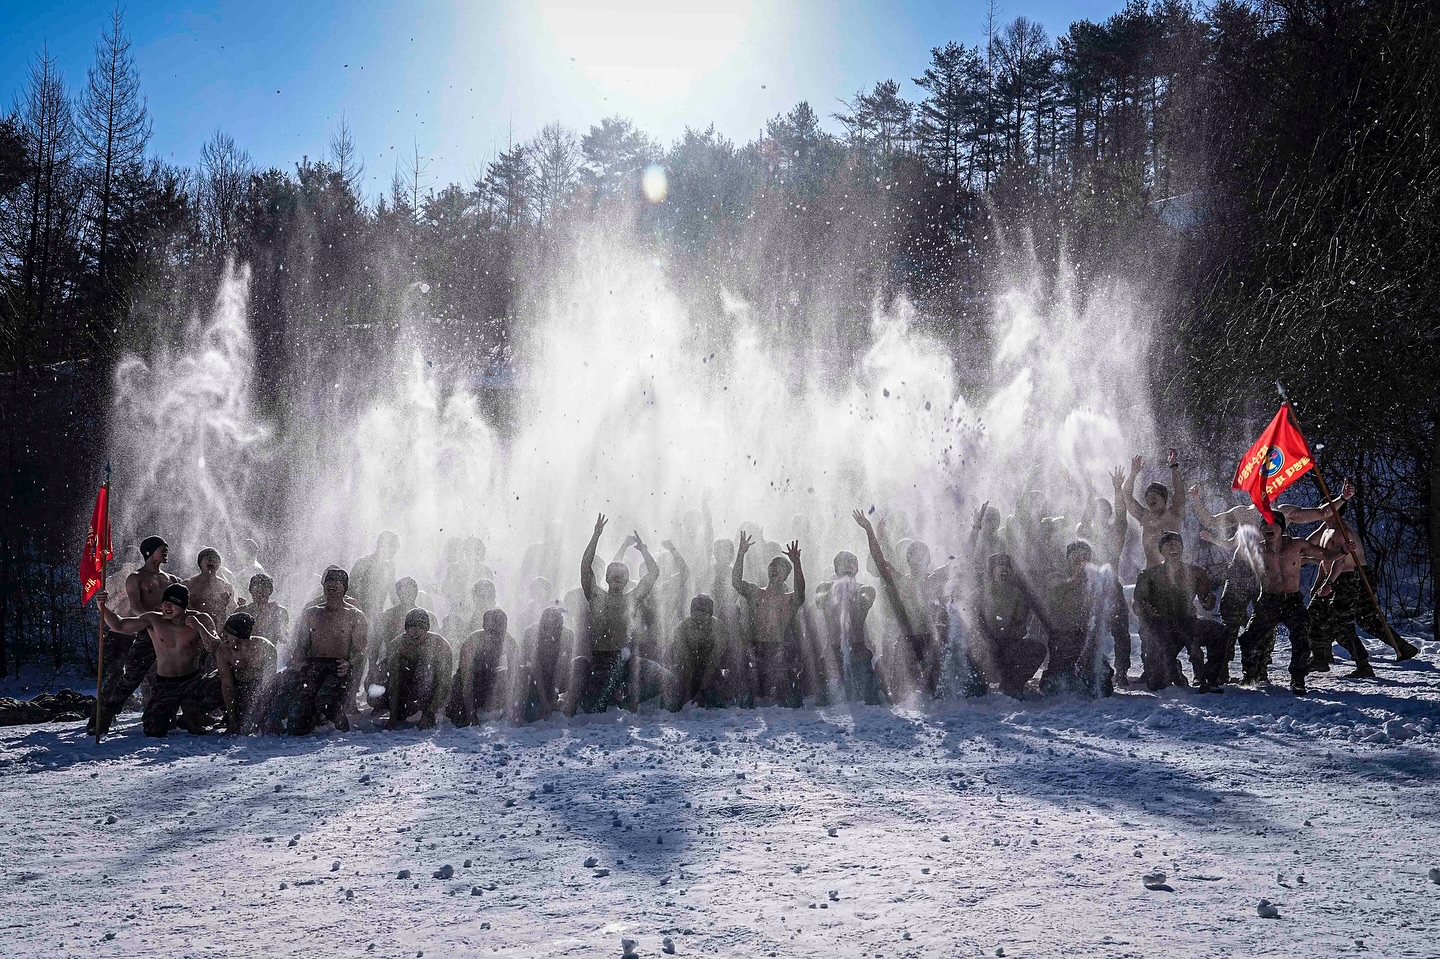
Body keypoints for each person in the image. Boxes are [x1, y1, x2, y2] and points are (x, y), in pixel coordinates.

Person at [1237, 514, 1347, 694]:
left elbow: (1326, 555)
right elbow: (1233, 549)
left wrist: (1343, 551)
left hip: (1292, 600)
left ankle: (1298, 678)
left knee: (1301, 636)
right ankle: (1251, 674)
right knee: (1249, 638)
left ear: (1282, 528)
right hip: (1268, 600)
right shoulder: (1257, 549)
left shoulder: (1296, 545)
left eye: (1273, 525)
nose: (1268, 528)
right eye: (1264, 525)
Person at [96, 583, 222, 737]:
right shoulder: (154, 619)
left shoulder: (200, 618)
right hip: (166, 685)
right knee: (153, 729)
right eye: (165, 602)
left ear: (183, 605)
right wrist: (102, 606)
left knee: (223, 683)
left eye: (172, 603)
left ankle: (192, 713)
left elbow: (215, 648)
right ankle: (174, 714)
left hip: (193, 682)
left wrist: (201, 628)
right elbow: (119, 624)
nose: (167, 606)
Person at [91, 535, 182, 735]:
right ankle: (103, 717)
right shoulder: (136, 577)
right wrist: (153, 619)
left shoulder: (173, 580)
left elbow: (181, 606)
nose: (166, 551)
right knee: (130, 678)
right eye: (162, 548)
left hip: (168, 636)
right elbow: (135, 607)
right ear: (149, 552)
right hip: (146, 634)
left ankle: (166, 717)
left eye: (166, 548)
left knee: (168, 678)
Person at [1307, 520, 1418, 674]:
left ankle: (1386, 653)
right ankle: (1322, 655)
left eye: (1324, 508)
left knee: (1358, 620)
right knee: (1319, 613)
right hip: (1337, 578)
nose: (1320, 511)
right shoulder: (1326, 527)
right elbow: (1315, 550)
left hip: (1354, 577)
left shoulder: (1342, 531)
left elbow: (1339, 561)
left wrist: (1328, 583)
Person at [853, 510, 943, 697]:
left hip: (929, 641)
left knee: (935, 692)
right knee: (899, 694)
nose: (917, 559)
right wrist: (870, 530)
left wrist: (976, 529)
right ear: (908, 560)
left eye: (921, 555)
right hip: (906, 641)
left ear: (928, 560)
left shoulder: (934, 580)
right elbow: (879, 560)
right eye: (913, 555)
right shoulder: (901, 581)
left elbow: (964, 561)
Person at [578, 514, 661, 712]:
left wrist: (644, 551)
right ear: (606, 579)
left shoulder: (632, 598)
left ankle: (628, 699)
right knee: (595, 706)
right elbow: (585, 567)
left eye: (621, 579)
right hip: (602, 660)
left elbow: (654, 573)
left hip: (626, 659)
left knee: (665, 678)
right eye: (613, 578)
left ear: (626, 581)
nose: (617, 582)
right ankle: (612, 694)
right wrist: (596, 536)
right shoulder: (596, 597)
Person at [1131, 532, 1227, 693]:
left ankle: (1210, 677)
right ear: (1161, 550)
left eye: (1177, 543)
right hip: (1162, 627)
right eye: (1168, 544)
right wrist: (1145, 609)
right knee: (1156, 684)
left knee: (1220, 632)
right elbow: (1137, 604)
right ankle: (1173, 668)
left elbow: (1208, 603)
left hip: (1188, 623)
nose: (1173, 547)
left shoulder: (1196, 572)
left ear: (1182, 547)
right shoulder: (1148, 575)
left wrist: (1209, 600)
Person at [284, 566, 368, 733]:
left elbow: (360, 651)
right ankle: (312, 718)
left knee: (325, 700)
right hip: (313, 666)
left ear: (344, 588)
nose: (332, 585)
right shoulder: (311, 613)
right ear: (323, 586)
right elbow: (302, 645)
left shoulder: (355, 615)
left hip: (337, 667)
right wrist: (296, 659)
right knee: (296, 725)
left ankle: (341, 726)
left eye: (337, 582)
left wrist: (349, 664)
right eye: (329, 581)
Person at [733, 533, 806, 707]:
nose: (775, 568)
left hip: (777, 648)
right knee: (746, 698)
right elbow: (736, 582)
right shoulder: (755, 592)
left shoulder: (789, 599)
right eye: (772, 565)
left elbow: (801, 593)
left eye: (780, 567)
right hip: (755, 646)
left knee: (789, 699)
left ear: (786, 575)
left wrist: (797, 564)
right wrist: (741, 553)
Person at [1077, 467, 1134, 684]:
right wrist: (1090, 498)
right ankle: (1086, 666)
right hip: (1089, 591)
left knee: (1120, 630)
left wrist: (1117, 489)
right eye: (1096, 511)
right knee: (1086, 630)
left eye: (1103, 511)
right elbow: (1083, 523)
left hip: (1112, 587)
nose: (1099, 514)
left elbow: (1121, 514)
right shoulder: (1086, 535)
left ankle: (1122, 671)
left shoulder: (1115, 532)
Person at [968, 553, 1048, 698]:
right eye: (1000, 566)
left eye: (1007, 567)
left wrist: (1018, 631)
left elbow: (1020, 624)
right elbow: (973, 623)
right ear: (992, 571)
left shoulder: (1016, 594)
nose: (1004, 570)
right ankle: (978, 685)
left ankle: (1012, 684)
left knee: (1037, 649)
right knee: (972, 653)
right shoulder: (979, 594)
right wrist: (986, 639)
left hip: (1008, 644)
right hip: (985, 646)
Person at [1042, 541, 1114, 696]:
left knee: (1103, 681)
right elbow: (1055, 590)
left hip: (1086, 640)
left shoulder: (1097, 580)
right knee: (1053, 686)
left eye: (1084, 555)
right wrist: (1074, 580)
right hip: (1063, 640)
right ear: (1067, 558)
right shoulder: (1055, 576)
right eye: (1075, 555)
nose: (1079, 559)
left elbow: (1114, 614)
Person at [813, 551, 881, 705]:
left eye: (851, 562)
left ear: (857, 569)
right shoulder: (824, 587)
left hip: (858, 649)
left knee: (870, 701)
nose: (847, 566)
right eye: (842, 563)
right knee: (825, 702)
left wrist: (851, 593)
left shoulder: (866, 589)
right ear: (835, 569)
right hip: (833, 651)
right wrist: (839, 590)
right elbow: (819, 601)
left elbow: (866, 600)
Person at [384, 608, 453, 730]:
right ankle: (404, 707)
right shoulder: (397, 645)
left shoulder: (440, 645)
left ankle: (427, 710)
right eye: (411, 627)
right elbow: (393, 682)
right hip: (409, 685)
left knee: (425, 670)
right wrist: (393, 717)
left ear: (427, 629)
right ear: (405, 629)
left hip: (433, 687)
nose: (415, 632)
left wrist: (429, 713)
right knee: (377, 687)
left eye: (420, 627)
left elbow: (444, 683)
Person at [212, 611, 278, 734]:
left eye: (228, 634)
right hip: (238, 687)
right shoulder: (224, 651)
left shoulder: (265, 649)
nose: (224, 637)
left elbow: (269, 686)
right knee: (211, 686)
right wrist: (232, 721)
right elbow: (227, 685)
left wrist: (260, 718)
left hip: (257, 688)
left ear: (240, 637)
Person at [1120, 452, 1188, 568]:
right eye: (1148, 496)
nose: (1151, 498)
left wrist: (1173, 466)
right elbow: (1126, 496)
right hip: (1151, 572)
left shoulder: (1174, 513)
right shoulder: (1144, 516)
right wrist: (1133, 473)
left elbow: (1179, 492)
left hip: (1173, 571)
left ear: (1164, 499)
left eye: (1155, 495)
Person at [668, 594, 732, 709]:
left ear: (710, 613)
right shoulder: (681, 629)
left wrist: (702, 690)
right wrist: (687, 691)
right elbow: (685, 661)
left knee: (715, 699)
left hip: (710, 671)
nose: (699, 616)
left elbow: (714, 660)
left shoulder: (719, 628)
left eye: (703, 611)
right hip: (686, 670)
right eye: (696, 611)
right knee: (673, 700)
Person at [450, 608, 512, 726]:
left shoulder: (509, 642)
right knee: (457, 712)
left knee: (506, 673)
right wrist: (470, 713)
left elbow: (514, 677)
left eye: (499, 630)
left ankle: (491, 706)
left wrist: (513, 708)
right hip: (468, 682)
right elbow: (466, 680)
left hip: (489, 681)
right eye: (492, 630)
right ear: (484, 627)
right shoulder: (472, 642)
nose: (495, 634)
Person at [518, 606, 572, 721]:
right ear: (542, 624)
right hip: (533, 677)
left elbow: (562, 666)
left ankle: (567, 702)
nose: (550, 632)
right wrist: (544, 701)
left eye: (556, 626)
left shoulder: (567, 635)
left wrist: (554, 695)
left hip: (556, 677)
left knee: (576, 667)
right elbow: (534, 666)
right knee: (523, 671)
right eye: (547, 627)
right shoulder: (531, 633)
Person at [186, 548, 236, 667]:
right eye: (208, 558)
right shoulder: (189, 584)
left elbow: (233, 609)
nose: (212, 561)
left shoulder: (226, 586)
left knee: (215, 669)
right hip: (193, 633)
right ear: (200, 563)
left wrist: (240, 605)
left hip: (218, 633)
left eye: (215, 558)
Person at [349, 531, 400, 619]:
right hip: (358, 615)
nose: (396, 550)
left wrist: (404, 609)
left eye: (397, 546)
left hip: (377, 616)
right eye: (394, 546)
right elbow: (351, 590)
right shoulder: (364, 563)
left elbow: (393, 596)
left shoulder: (390, 568)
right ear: (382, 545)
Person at [240, 572, 290, 659]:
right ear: (250, 590)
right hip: (244, 657)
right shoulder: (242, 611)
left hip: (269, 657)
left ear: (270, 591)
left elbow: (284, 639)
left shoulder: (279, 611)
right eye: (256, 586)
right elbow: (231, 640)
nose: (260, 590)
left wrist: (276, 618)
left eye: (264, 587)